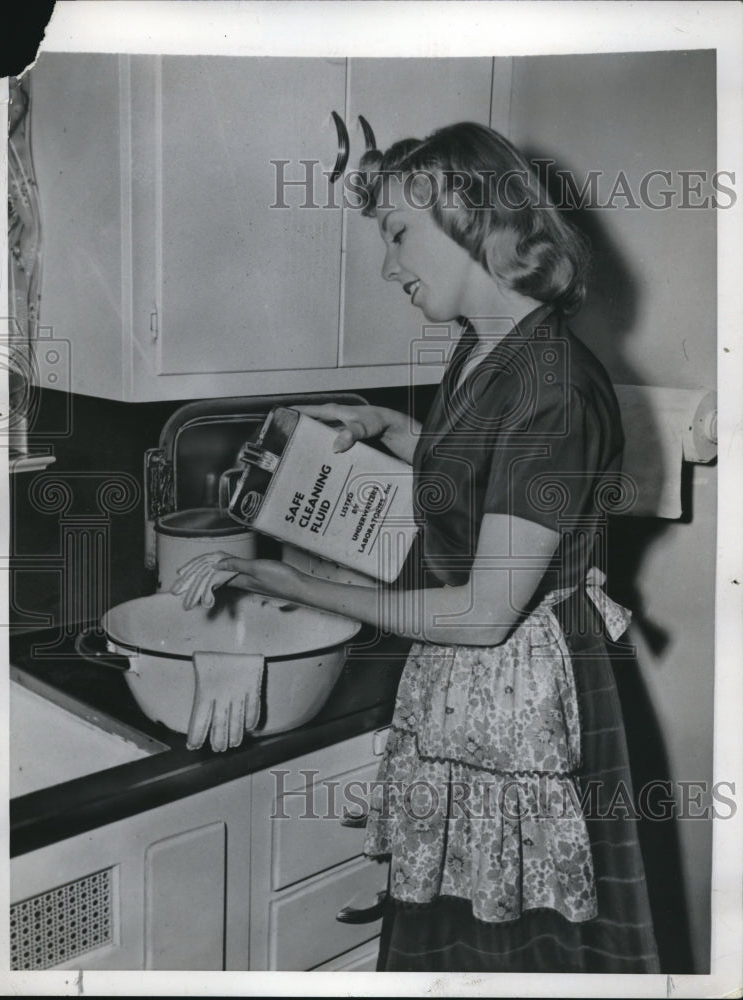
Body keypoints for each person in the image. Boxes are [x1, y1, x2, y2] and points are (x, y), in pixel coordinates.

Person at [172, 122, 660, 974]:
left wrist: (290, 578)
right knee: (458, 942)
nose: (390, 266)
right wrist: (389, 427)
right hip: (474, 691)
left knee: (524, 957)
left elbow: (479, 614)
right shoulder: (488, 349)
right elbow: (481, 468)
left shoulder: (554, 385)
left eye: (399, 234)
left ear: (473, 217)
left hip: (528, 701)